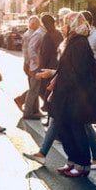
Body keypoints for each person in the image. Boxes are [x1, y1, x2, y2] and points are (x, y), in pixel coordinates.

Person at [46, 12, 96, 176]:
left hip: (76, 96)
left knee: (76, 130)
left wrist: (63, 86)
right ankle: (72, 161)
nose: (62, 27)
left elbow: (77, 71)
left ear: (72, 24)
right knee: (66, 130)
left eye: (64, 23)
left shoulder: (79, 42)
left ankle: (82, 166)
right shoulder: (71, 41)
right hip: (66, 94)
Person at [23, 14, 64, 165]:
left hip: (49, 70)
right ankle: (50, 120)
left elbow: (44, 54)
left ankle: (48, 115)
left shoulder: (47, 36)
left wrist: (39, 68)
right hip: (57, 68)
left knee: (47, 94)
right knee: (52, 99)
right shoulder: (58, 34)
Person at [15, 16, 45, 119]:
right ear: (33, 24)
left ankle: (35, 110)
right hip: (31, 65)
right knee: (34, 87)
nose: (39, 24)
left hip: (30, 64)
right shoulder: (31, 34)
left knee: (35, 87)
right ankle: (24, 104)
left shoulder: (31, 33)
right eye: (37, 23)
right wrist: (28, 64)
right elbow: (27, 51)